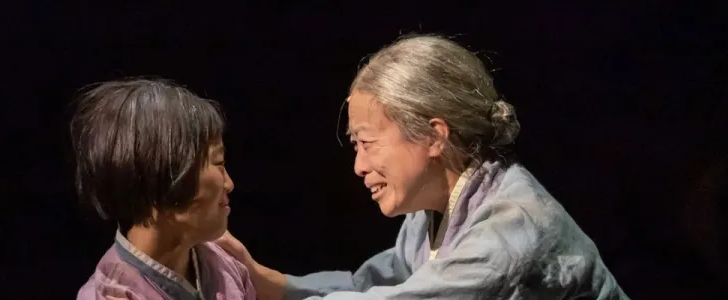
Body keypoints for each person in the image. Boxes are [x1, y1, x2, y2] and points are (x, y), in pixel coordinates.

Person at [214, 35, 629, 299]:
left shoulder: (510, 228)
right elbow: (379, 283)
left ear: (434, 136)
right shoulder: (433, 208)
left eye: (367, 143)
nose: (358, 166)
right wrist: (268, 281)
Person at [71, 78, 255, 300]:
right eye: (218, 163)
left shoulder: (227, 266)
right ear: (167, 177)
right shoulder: (110, 295)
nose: (229, 184)